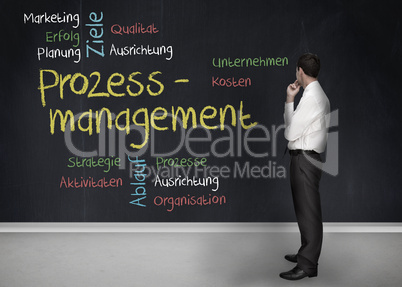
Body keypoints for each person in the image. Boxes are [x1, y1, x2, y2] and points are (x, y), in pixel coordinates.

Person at [280, 53, 330, 281]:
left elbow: (290, 133)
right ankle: (305, 254)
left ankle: (308, 265)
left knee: (309, 212)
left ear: (300, 70)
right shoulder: (314, 94)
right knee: (305, 210)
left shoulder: (311, 98)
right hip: (307, 158)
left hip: (304, 160)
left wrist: (289, 100)